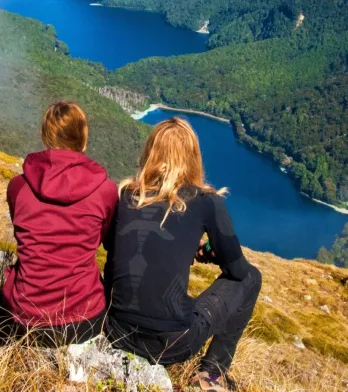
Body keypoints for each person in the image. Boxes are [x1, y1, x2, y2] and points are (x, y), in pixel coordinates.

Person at [103, 117, 262, 392]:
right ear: (193, 157)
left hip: (117, 331)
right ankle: (212, 373)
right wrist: (210, 252)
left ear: (151, 152)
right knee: (251, 278)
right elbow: (237, 270)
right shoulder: (206, 202)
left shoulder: (126, 194)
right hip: (173, 344)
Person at [0, 101, 118, 347]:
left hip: (26, 319)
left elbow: (24, 233)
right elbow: (107, 241)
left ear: (45, 137)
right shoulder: (105, 190)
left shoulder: (18, 188)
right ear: (83, 139)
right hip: (85, 319)